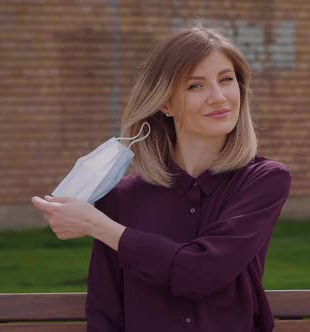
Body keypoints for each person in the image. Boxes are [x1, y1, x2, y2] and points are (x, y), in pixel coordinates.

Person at [31, 24, 291, 332]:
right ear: (165, 103)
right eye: (195, 86)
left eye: (226, 80)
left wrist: (97, 225)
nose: (218, 97)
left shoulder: (264, 181)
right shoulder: (121, 198)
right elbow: (105, 314)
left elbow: (202, 272)